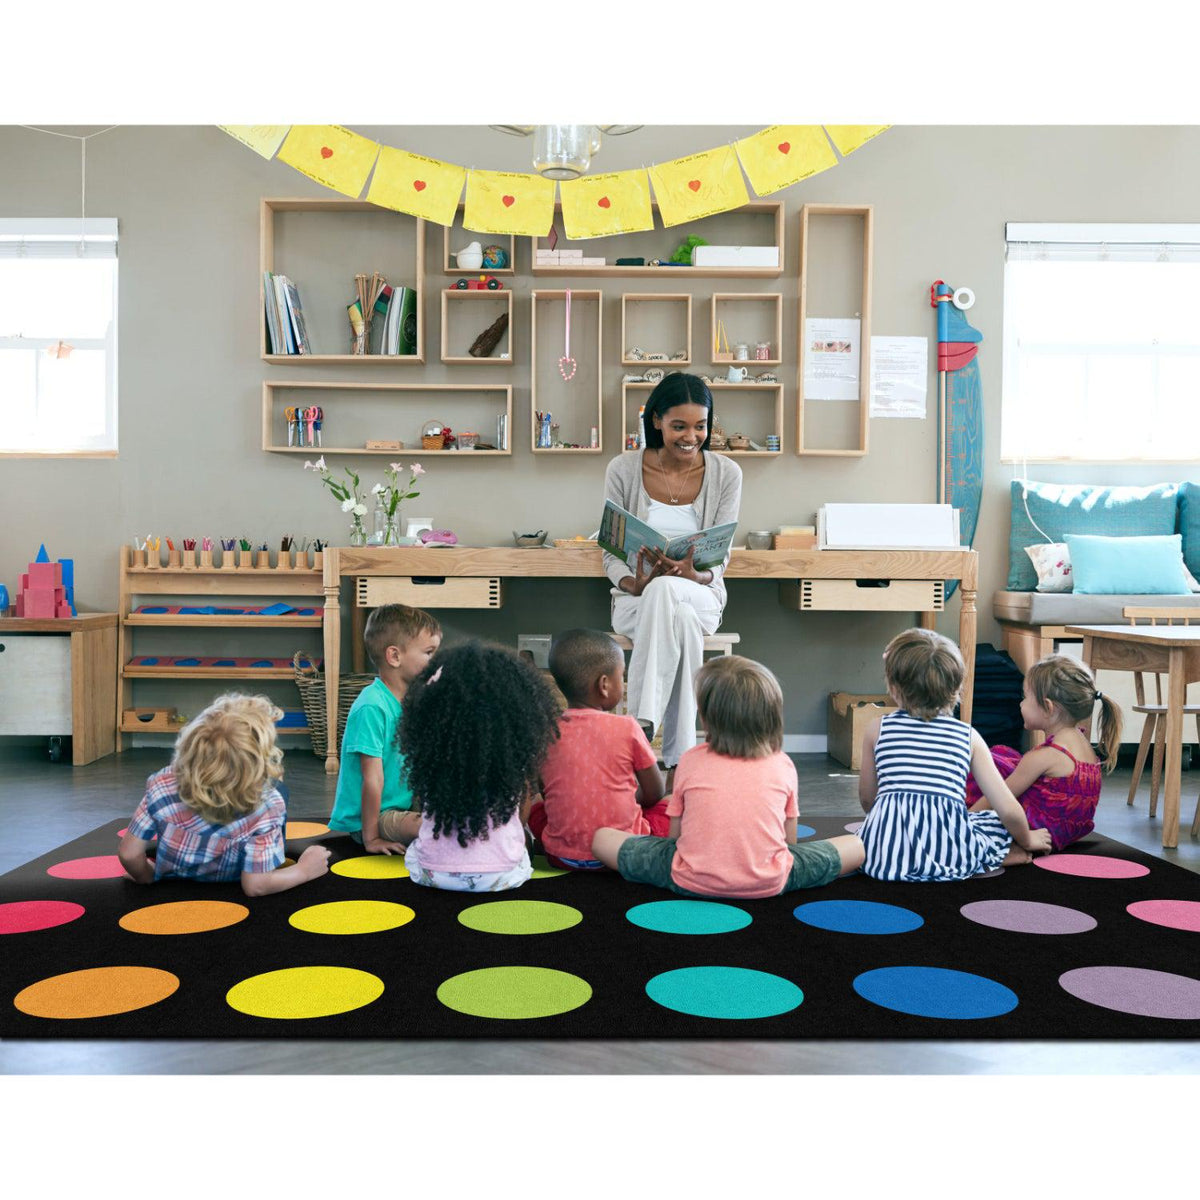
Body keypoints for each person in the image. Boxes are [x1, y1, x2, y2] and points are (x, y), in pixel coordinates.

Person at [592, 656, 864, 898]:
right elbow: (789, 843)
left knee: (602, 838)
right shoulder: (783, 764)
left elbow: (675, 838)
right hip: (770, 882)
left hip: (688, 879)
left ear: (708, 719)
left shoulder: (690, 759)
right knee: (856, 846)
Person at [602, 372, 742, 776]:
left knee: (673, 595)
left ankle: (642, 726)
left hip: (701, 596)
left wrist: (693, 575)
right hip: (636, 601)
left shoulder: (726, 473)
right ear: (657, 420)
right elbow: (611, 551)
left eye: (700, 426)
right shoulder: (624, 468)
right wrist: (634, 582)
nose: (690, 436)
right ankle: (680, 758)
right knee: (671, 609)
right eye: (679, 426)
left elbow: (720, 558)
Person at [857, 629, 1052, 881]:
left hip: (883, 856)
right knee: (990, 821)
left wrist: (889, 821)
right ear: (957, 687)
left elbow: (867, 798)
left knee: (865, 835)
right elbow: (1009, 809)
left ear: (894, 687)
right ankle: (996, 856)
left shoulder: (877, 728)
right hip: (950, 852)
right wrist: (1028, 838)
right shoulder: (967, 736)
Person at [117, 693, 330, 896]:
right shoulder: (268, 805)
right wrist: (304, 870)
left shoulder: (162, 783)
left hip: (176, 875)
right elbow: (256, 886)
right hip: (234, 880)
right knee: (279, 790)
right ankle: (270, 857)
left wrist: (146, 876)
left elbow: (129, 854)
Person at [400, 641, 560, 892]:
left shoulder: (433, 758)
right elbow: (521, 817)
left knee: (416, 849)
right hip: (502, 877)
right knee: (522, 839)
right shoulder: (510, 761)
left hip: (434, 874)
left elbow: (425, 806)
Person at [529, 627, 667, 870]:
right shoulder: (627, 727)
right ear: (604, 685)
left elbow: (547, 792)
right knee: (670, 804)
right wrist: (627, 798)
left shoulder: (545, 730)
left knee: (536, 804)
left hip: (559, 855)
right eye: (621, 676)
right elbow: (655, 792)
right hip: (624, 852)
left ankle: (547, 845)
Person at [965, 654, 1123, 851]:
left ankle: (1010, 849)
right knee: (1006, 758)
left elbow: (995, 797)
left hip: (1041, 830)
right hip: (1067, 830)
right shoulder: (1082, 743)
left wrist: (965, 823)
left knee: (991, 764)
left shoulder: (1046, 756)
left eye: (1025, 698)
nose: (1021, 704)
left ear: (1048, 707)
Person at [329, 604, 441, 854]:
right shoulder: (371, 707)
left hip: (404, 804)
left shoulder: (414, 700)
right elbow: (372, 779)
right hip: (374, 818)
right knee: (436, 828)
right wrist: (372, 839)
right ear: (394, 656)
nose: (436, 661)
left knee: (457, 816)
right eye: (429, 653)